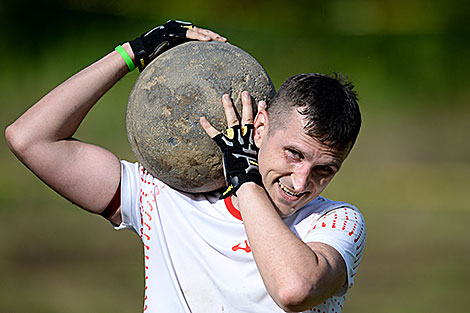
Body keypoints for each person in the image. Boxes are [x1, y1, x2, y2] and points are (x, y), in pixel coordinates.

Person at [5, 20, 365, 313]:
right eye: (294, 154)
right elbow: (31, 139)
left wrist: (244, 178)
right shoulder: (164, 197)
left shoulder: (334, 223)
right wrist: (133, 53)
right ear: (259, 127)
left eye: (324, 170)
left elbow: (293, 289)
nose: (302, 182)